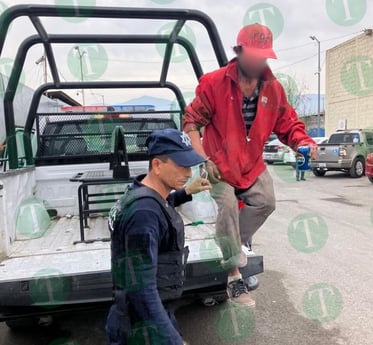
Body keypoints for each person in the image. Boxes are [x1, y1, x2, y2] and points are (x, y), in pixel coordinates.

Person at [183, 23, 319, 307]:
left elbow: (288, 124)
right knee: (228, 207)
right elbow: (192, 121)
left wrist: (303, 142)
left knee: (266, 202)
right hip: (218, 164)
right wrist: (202, 159)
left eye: (263, 56)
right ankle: (233, 275)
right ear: (239, 52)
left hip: (252, 164)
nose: (258, 62)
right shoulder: (214, 83)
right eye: (253, 55)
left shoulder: (274, 89)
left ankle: (232, 242)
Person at [105, 128, 211, 345]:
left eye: (189, 165)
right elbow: (142, 291)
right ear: (157, 165)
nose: (189, 173)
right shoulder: (144, 214)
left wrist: (186, 193)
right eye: (181, 165)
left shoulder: (140, 193)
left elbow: (161, 204)